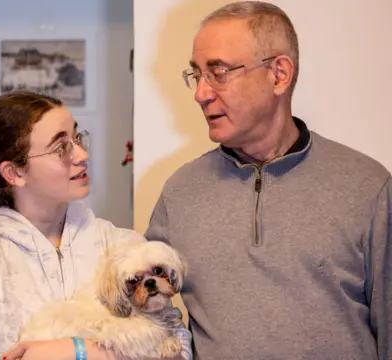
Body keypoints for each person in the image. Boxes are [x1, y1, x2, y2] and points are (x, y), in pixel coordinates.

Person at [144, 1, 391, 359]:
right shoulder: (180, 192)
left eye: (219, 72)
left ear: (279, 74)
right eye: (197, 74)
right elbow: (143, 310)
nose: (201, 92)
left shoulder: (368, 187)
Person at [0, 90, 193, 360]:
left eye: (77, 138)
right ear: (14, 173)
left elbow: (177, 347)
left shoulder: (123, 246)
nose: (81, 154)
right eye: (61, 147)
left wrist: (82, 352)